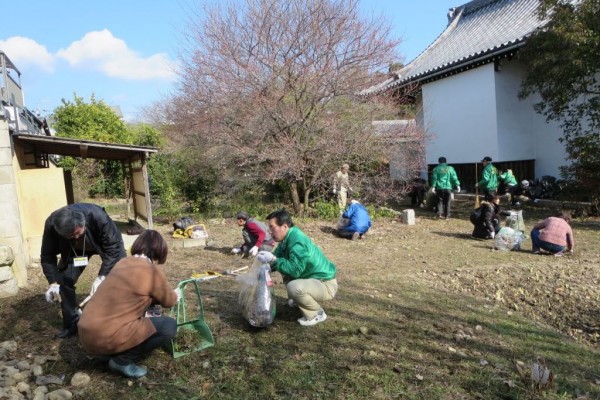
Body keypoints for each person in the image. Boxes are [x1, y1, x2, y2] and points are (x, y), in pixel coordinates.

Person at [78, 230, 180, 378]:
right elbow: (169, 302)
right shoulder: (152, 271)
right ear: (160, 250)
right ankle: (122, 360)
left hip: (87, 335)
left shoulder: (122, 262)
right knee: (168, 326)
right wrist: (176, 295)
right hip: (105, 337)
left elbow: (135, 293)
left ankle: (108, 353)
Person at [41, 203, 126, 339]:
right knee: (63, 281)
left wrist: (102, 276)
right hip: (74, 252)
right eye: (70, 235)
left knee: (120, 277)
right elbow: (47, 255)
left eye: (77, 233)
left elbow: (114, 248)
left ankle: (121, 319)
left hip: (105, 246)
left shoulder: (98, 217)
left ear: (83, 223)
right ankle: (72, 325)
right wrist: (53, 282)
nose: (75, 237)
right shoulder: (52, 225)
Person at [256, 209, 337, 326]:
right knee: (284, 269)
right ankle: (299, 300)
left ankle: (316, 314)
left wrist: (273, 260)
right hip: (312, 279)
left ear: (284, 226)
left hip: (325, 284)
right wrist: (264, 265)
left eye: (272, 228)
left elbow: (295, 270)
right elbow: (278, 256)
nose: (270, 232)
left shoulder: (297, 240)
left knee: (293, 287)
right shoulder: (287, 238)